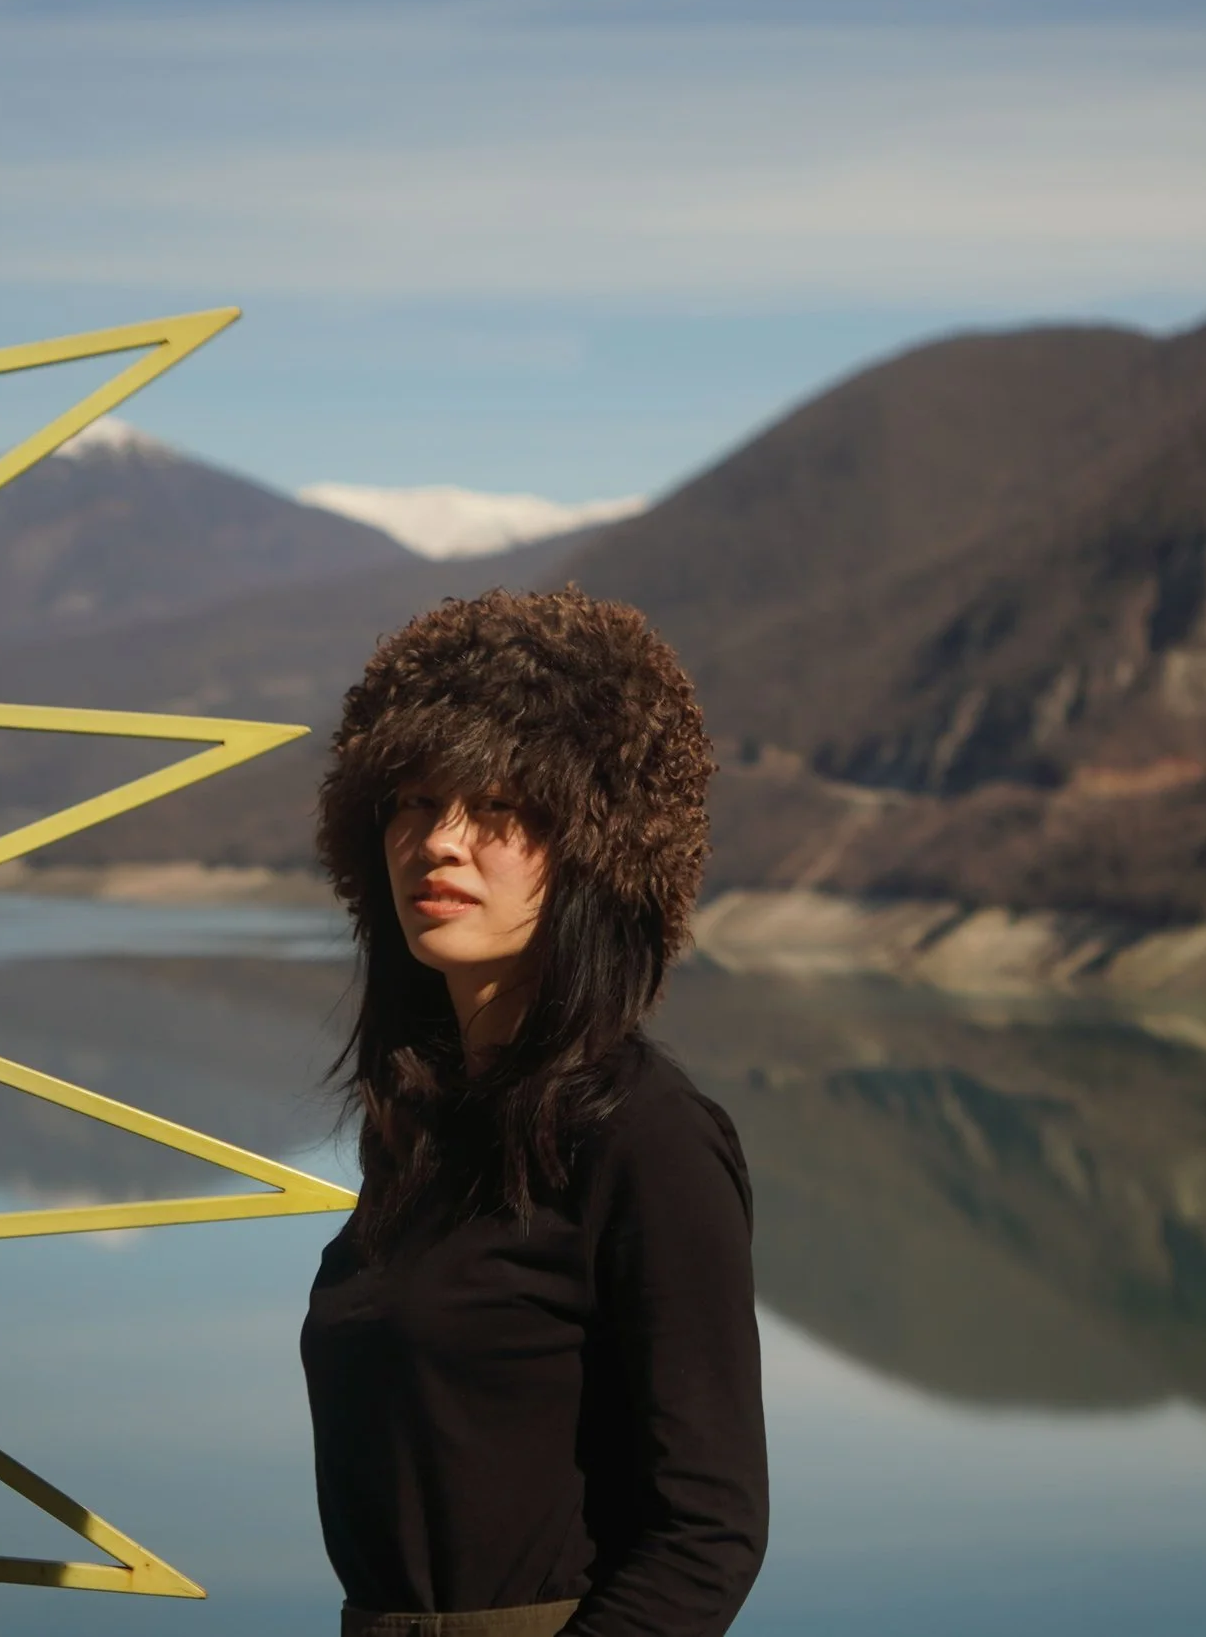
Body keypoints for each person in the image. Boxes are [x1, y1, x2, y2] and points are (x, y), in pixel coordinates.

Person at [299, 587, 770, 1637]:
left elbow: (708, 1533)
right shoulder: (418, 1133)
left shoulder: (647, 1138)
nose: (441, 841)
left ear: (596, 846)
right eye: (413, 799)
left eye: (499, 806)